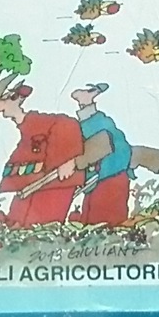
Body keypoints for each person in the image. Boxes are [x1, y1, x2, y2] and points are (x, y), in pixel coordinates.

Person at [0, 83, 84, 228]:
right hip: (33, 186)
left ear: (17, 99)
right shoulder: (26, 131)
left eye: (3, 100)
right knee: (17, 223)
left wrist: (66, 163)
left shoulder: (41, 122)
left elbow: (67, 127)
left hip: (55, 184)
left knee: (41, 227)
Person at [61, 83, 134, 226]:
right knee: (92, 215)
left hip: (111, 176)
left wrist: (75, 163)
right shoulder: (99, 126)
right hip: (101, 177)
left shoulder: (104, 128)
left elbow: (105, 143)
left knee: (105, 219)